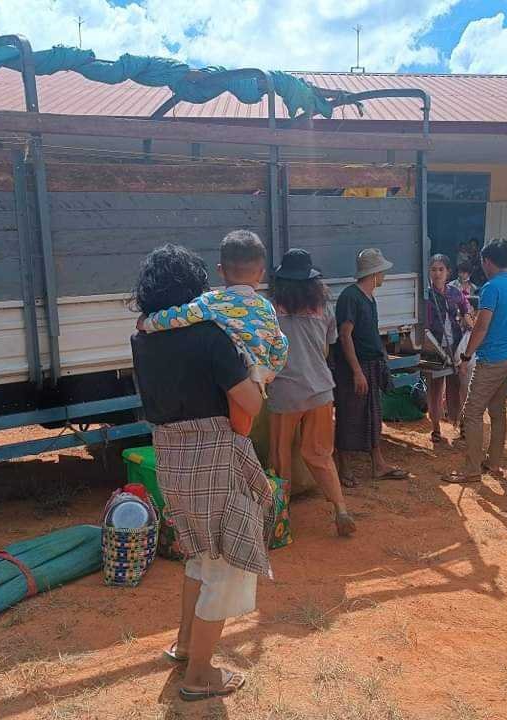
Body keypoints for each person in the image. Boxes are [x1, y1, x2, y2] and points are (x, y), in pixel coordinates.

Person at [130, 245, 273, 701]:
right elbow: (249, 403)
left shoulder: (143, 338)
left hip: (171, 458)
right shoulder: (210, 335)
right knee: (225, 566)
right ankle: (199, 675)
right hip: (214, 458)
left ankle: (186, 645)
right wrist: (260, 375)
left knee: (198, 557)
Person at [139, 229, 287, 437]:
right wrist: (272, 369)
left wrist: (148, 322)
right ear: (261, 273)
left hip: (239, 367)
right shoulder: (266, 306)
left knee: (238, 429)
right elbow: (280, 341)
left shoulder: (211, 302)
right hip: (258, 372)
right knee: (243, 430)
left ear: (220, 270)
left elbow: (180, 315)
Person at [266, 249, 356, 537]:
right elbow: (327, 348)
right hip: (320, 389)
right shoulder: (323, 309)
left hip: (285, 392)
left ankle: (281, 518)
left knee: (280, 456)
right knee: (320, 454)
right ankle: (341, 509)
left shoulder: (270, 310)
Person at [448, 240, 507, 483]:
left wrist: (466, 356)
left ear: (487, 261)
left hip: (492, 359)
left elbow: (481, 327)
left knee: (472, 412)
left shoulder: (491, 288)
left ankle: (472, 469)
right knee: (497, 411)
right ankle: (493, 463)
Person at [333, 248, 408, 487]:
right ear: (374, 273)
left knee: (372, 415)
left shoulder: (369, 298)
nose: (384, 275)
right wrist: (356, 371)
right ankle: (344, 468)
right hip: (354, 367)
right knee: (349, 416)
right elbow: (345, 336)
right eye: (382, 271)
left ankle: (378, 464)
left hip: (370, 365)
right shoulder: (351, 297)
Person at [423, 254, 471, 447]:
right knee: (435, 390)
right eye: (434, 269)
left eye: (441, 269)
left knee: (457, 388)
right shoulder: (426, 296)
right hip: (433, 349)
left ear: (448, 272)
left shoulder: (455, 293)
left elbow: (465, 307)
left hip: (455, 348)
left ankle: (461, 425)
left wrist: (468, 319)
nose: (437, 273)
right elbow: (425, 325)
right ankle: (435, 428)